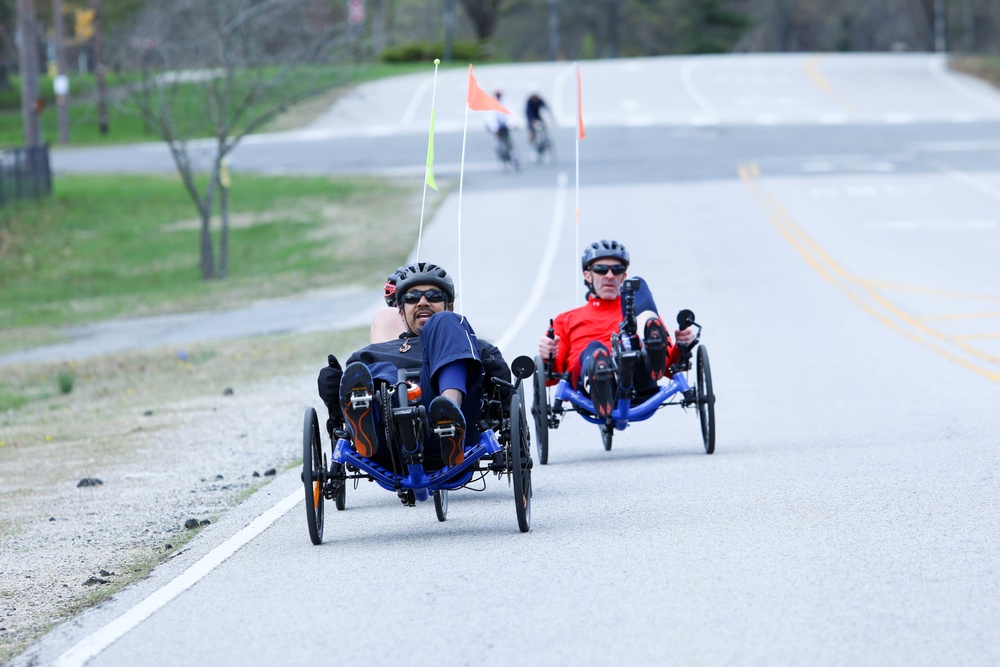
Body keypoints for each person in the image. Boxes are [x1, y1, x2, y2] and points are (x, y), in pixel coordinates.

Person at [318, 262, 509, 468]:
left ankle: (449, 414)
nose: (422, 302)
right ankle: (365, 422)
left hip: (445, 431)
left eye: (434, 296)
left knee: (445, 322)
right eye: (412, 297)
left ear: (450, 305)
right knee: (368, 371)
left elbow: (503, 389)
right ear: (401, 312)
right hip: (389, 439)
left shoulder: (471, 345)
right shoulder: (373, 352)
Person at [537, 239, 695, 419]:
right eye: (601, 269)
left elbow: (667, 368)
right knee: (595, 350)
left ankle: (652, 342)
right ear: (588, 276)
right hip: (589, 383)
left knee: (639, 287)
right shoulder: (565, 319)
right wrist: (546, 354)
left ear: (623, 277)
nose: (610, 275)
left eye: (617, 270)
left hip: (640, 377)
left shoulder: (639, 312)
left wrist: (682, 345)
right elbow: (550, 377)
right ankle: (601, 376)